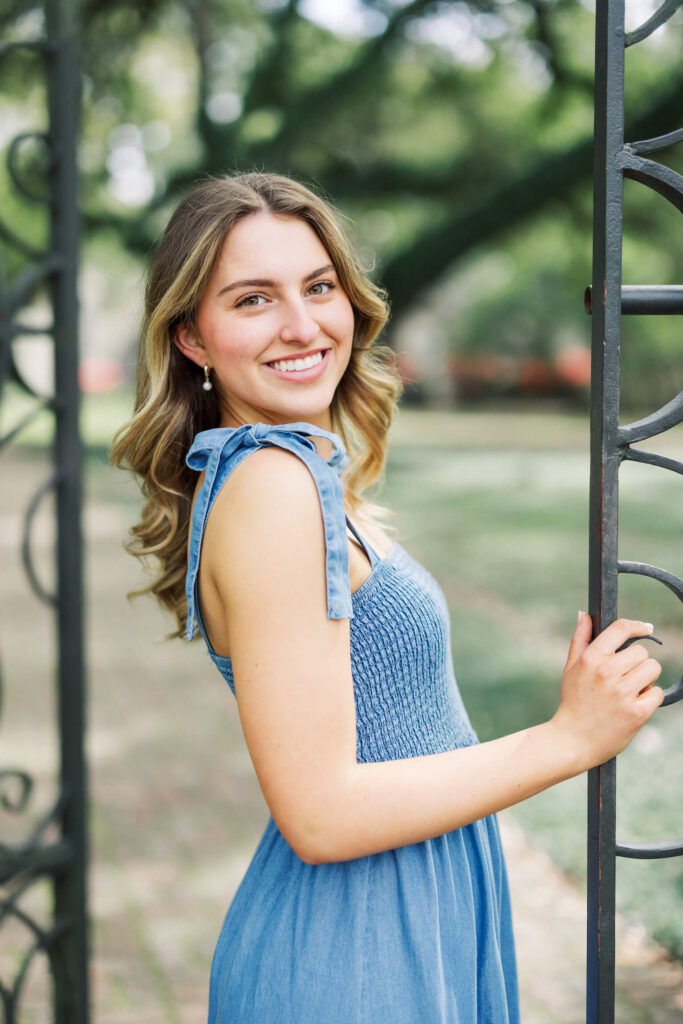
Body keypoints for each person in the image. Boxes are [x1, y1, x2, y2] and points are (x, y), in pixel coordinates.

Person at [111, 171, 664, 1024]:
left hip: (404, 913)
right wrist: (567, 739)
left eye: (319, 286)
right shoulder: (270, 487)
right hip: (355, 945)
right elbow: (322, 816)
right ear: (191, 337)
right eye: (254, 300)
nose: (303, 326)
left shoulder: (290, 474)